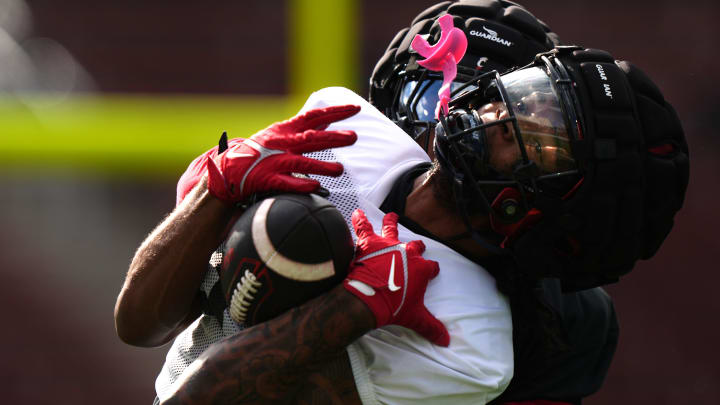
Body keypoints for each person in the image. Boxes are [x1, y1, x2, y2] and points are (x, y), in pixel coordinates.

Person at [115, 3, 689, 405]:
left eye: (540, 138)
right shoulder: (346, 128)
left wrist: (354, 308)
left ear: (555, 212)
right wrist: (218, 190)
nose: (497, 115)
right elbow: (138, 323)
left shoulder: (470, 341)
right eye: (525, 96)